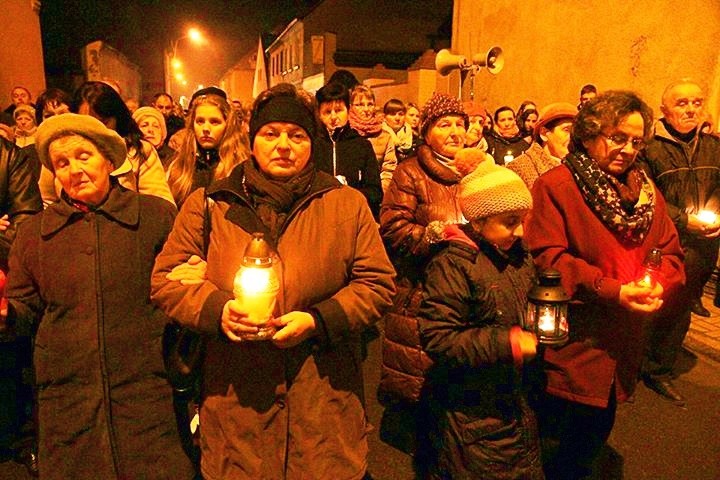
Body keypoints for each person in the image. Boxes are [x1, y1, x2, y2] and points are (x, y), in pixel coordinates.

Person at [150, 83, 396, 480]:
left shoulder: (346, 205)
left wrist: (319, 320)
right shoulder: (211, 204)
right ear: (252, 142)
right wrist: (218, 311)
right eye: (271, 133)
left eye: (297, 135)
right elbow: (166, 280)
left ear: (311, 144)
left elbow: (378, 283)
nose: (284, 145)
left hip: (323, 403)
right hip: (237, 403)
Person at [5, 114, 193, 479]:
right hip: (69, 409)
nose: (74, 169)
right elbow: (26, 309)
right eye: (62, 162)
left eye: (83, 156)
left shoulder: (155, 218)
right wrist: (7, 315)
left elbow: (182, 292)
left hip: (149, 403)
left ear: (108, 161)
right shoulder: (34, 234)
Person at [525, 91, 685, 480]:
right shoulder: (557, 185)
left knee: (593, 441)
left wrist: (656, 286)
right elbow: (549, 258)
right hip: (574, 349)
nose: (627, 149)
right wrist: (613, 290)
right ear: (589, 134)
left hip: (623, 346)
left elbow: (671, 253)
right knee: (556, 449)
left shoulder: (647, 192)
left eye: (635, 141)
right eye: (617, 137)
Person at [418, 157, 543, 480]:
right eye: (510, 221)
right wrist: (508, 342)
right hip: (472, 410)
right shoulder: (454, 265)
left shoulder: (517, 255)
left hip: (514, 399)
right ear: (478, 222)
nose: (521, 230)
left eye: (523, 220)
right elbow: (439, 338)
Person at [377, 93, 469, 457]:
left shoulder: (477, 170)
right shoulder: (410, 171)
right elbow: (394, 227)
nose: (454, 131)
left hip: (464, 289)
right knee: (417, 368)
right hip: (422, 286)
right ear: (427, 131)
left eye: (459, 124)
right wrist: (435, 235)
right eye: (444, 124)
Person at [639, 79, 720, 404]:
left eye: (696, 102)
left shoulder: (714, 145)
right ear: (665, 110)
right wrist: (686, 221)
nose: (690, 109)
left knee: (681, 310)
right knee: (652, 304)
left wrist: (713, 215)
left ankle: (659, 369)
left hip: (703, 246)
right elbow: (647, 194)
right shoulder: (649, 147)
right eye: (682, 103)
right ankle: (632, 363)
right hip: (663, 242)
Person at [0, 135, 42, 475]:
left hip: (4, 276)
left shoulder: (8, 157)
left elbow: (24, 224)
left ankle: (19, 439)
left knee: (11, 369)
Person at [68, 81, 175, 206]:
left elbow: (161, 205)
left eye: (104, 122)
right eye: (87, 123)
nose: (96, 130)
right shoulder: (63, 152)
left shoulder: (138, 150)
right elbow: (48, 201)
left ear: (117, 118)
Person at [166, 87, 249, 207]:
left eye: (214, 122)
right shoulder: (178, 167)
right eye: (200, 121)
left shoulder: (241, 167)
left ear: (227, 125)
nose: (205, 129)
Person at [315, 82, 382, 215]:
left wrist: (348, 192)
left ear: (348, 110)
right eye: (327, 112)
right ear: (319, 114)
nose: (333, 117)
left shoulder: (362, 145)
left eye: (339, 110)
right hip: (319, 216)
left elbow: (375, 192)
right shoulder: (312, 144)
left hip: (352, 216)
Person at [508, 102, 577, 189]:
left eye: (577, 131)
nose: (574, 136)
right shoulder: (519, 169)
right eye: (566, 130)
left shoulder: (581, 166)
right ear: (544, 134)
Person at [349, 84, 397, 192]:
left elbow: (389, 169)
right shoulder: (345, 133)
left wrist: (379, 191)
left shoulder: (385, 136)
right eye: (360, 105)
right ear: (351, 106)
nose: (366, 109)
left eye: (370, 104)